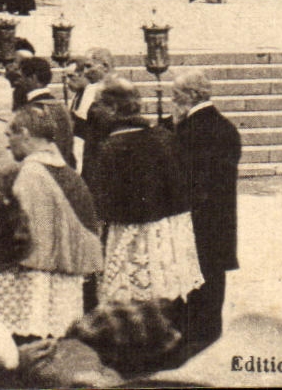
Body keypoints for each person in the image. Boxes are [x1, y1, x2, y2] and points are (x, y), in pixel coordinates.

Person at [0, 104, 103, 340]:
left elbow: (25, 238)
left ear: (25, 133)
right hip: (65, 280)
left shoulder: (32, 173)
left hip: (35, 283)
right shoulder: (65, 170)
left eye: (10, 135)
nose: (7, 144)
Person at [84, 77, 201, 322]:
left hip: (128, 234)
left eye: (99, 105)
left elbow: (102, 204)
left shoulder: (110, 147)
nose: (94, 111)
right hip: (168, 234)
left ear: (114, 109)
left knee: (128, 302)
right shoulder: (165, 137)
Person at [163, 68, 241, 362]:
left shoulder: (189, 130)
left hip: (193, 219)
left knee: (195, 280)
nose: (172, 102)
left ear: (190, 97)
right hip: (220, 218)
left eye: (175, 96)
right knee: (213, 277)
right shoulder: (225, 127)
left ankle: (196, 338)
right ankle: (210, 334)